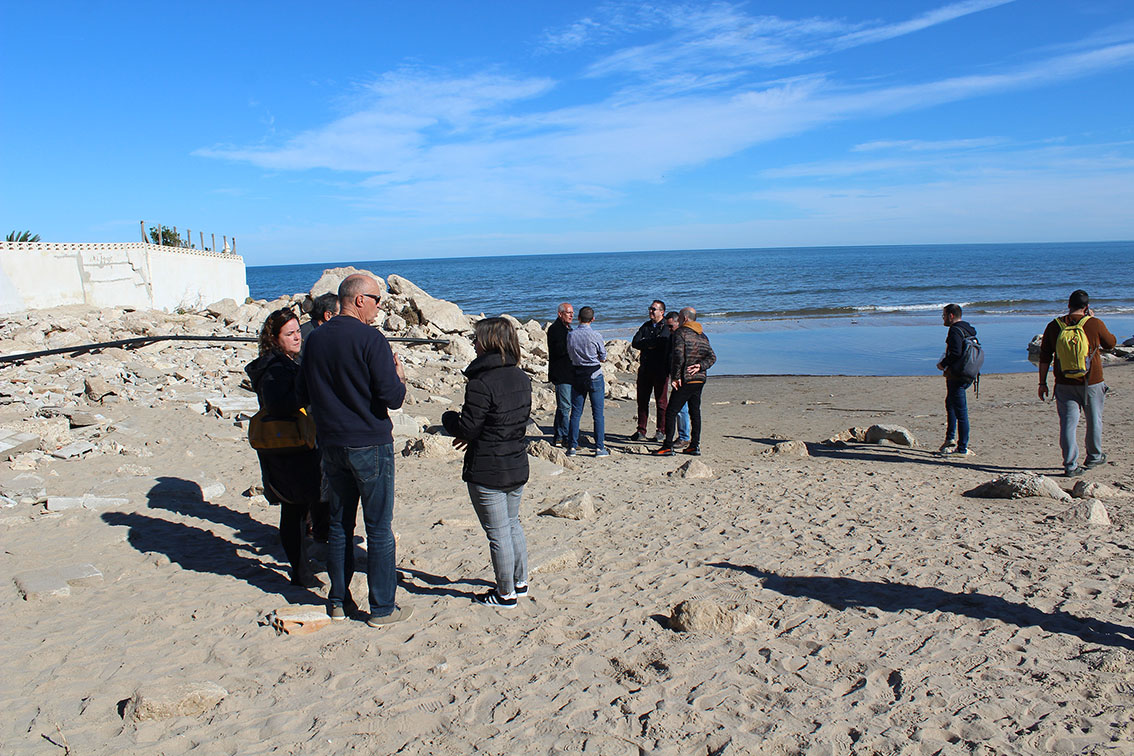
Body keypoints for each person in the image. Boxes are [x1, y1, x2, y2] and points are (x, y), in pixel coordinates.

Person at [297, 274, 412, 627]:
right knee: (378, 528)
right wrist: (400, 375)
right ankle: (381, 608)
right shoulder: (370, 339)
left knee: (339, 524)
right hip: (369, 441)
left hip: (331, 442)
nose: (381, 307)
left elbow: (303, 393)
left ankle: (337, 599)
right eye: (378, 300)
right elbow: (392, 397)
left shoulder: (313, 340)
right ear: (359, 299)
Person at [442, 318, 532, 608]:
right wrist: (474, 431)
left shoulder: (482, 382)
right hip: (516, 461)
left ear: (489, 342)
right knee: (512, 524)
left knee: (498, 532)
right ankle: (520, 582)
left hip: (489, 467)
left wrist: (449, 420)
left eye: (477, 339)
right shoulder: (521, 378)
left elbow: (469, 427)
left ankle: (505, 593)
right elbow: (506, 421)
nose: (473, 343)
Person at [245, 308, 322, 587]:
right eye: (289, 334)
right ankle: (300, 572)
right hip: (287, 446)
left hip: (287, 444)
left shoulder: (282, 362)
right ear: (274, 338)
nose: (297, 337)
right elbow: (280, 404)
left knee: (300, 509)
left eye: (298, 331)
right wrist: (309, 388)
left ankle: (304, 565)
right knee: (294, 509)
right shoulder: (274, 368)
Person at [1038, 289, 1117, 477]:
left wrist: (1042, 383)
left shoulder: (1054, 325)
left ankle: (1070, 465)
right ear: (1087, 307)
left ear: (1068, 305)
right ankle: (1094, 456)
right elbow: (1111, 343)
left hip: (1064, 382)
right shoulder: (1094, 323)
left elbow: (1044, 357)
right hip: (1092, 381)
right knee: (1094, 420)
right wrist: (1093, 320)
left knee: (1068, 424)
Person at [656, 307, 715, 457]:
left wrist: (675, 377)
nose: (679, 320)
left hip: (686, 378)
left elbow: (678, 356)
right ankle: (694, 446)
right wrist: (701, 366)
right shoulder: (702, 335)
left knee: (671, 411)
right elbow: (712, 357)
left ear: (686, 318)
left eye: (680, 317)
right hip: (700, 379)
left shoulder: (681, 333)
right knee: (695, 412)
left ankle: (667, 446)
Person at [935, 304, 977, 457]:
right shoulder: (968, 329)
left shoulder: (955, 330)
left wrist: (943, 364)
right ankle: (950, 438)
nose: (943, 318)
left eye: (944, 315)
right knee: (951, 404)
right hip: (967, 374)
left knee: (961, 411)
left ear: (951, 316)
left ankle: (962, 447)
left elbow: (955, 353)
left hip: (957, 375)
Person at [566, 306, 608, 457]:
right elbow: (603, 356)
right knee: (598, 414)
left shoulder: (571, 335)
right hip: (594, 373)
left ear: (578, 318)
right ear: (593, 319)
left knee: (576, 412)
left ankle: (572, 446)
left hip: (578, 373)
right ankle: (599, 447)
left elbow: (570, 353)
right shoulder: (596, 335)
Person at [631, 300, 670, 442]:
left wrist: (648, 343)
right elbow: (635, 342)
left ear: (662, 311)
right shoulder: (646, 326)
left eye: (654, 309)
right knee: (642, 401)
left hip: (660, 369)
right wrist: (649, 344)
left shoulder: (665, 326)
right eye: (650, 309)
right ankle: (641, 430)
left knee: (661, 402)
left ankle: (661, 430)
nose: (651, 312)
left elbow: (663, 342)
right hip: (645, 369)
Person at [546, 303, 574, 447]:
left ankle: (559, 435)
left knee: (564, 406)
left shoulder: (568, 328)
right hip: (561, 373)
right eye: (568, 313)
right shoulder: (555, 329)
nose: (571, 315)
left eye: (572, 313)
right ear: (560, 314)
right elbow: (559, 350)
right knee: (565, 407)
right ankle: (563, 437)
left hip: (570, 373)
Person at [664, 311, 692, 449]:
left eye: (671, 326)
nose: (669, 329)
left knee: (681, 408)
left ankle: (684, 437)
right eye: (667, 326)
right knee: (682, 408)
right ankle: (683, 436)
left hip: (683, 376)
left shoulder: (681, 336)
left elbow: (681, 358)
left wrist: (677, 376)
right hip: (677, 375)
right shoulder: (673, 336)